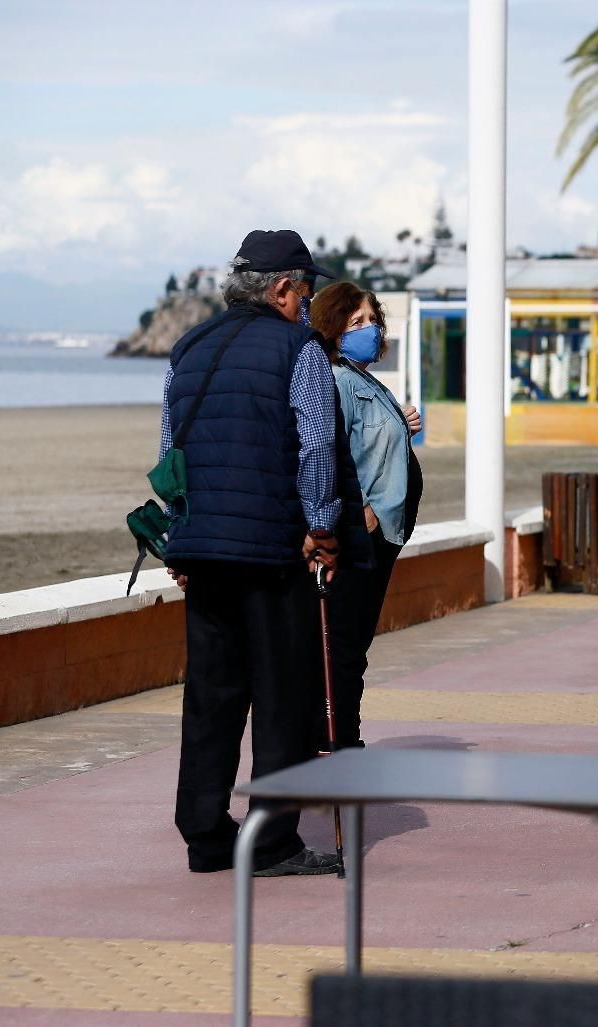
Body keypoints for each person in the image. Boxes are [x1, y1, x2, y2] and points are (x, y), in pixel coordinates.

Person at [160, 230, 346, 876]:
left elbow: (170, 454)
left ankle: (206, 835)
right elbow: (316, 446)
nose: (308, 303)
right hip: (271, 549)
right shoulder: (300, 349)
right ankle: (272, 841)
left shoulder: (189, 347)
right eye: (306, 291)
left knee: (211, 695)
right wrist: (322, 525)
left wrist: (181, 535)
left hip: (203, 548)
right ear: (282, 288)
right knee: (282, 697)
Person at [308, 282, 424, 747]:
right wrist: (363, 514)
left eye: (372, 319)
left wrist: (402, 421)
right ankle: (337, 739)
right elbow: (335, 455)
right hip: (363, 534)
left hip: (382, 534)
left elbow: (374, 441)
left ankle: (339, 736)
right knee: (345, 644)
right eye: (356, 322)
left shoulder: (364, 379)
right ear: (332, 331)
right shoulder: (337, 381)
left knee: (353, 644)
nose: (369, 329)